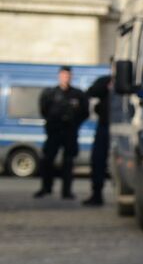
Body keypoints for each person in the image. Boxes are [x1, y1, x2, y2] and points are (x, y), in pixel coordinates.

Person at [34, 66, 87, 199]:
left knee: (68, 162)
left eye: (68, 75)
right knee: (47, 160)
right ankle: (46, 188)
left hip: (70, 132)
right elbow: (43, 110)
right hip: (54, 132)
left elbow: (84, 112)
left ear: (71, 77)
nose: (66, 78)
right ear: (59, 76)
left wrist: (75, 124)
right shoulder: (50, 93)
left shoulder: (78, 94)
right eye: (63, 75)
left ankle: (66, 191)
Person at [83, 72, 110, 206]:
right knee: (98, 160)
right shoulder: (105, 81)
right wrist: (106, 86)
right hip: (104, 126)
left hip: (124, 126)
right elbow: (90, 93)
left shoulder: (131, 80)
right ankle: (97, 194)